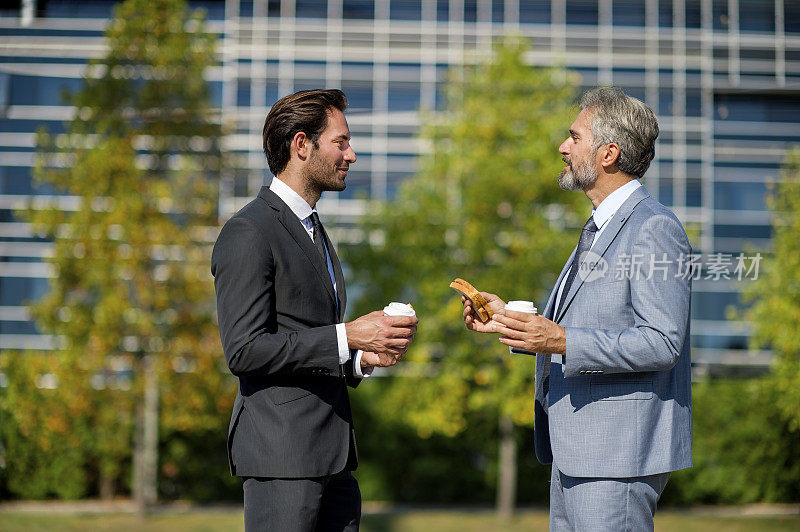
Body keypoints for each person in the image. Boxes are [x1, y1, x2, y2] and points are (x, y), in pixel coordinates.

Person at [462, 87, 692, 531]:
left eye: (574, 137)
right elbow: (585, 321)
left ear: (609, 153)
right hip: (579, 452)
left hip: (617, 456)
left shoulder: (654, 228)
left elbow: (663, 342)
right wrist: (509, 320)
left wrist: (561, 341)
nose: (563, 147)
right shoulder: (600, 227)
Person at [212, 89, 418, 531]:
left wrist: (362, 359)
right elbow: (245, 350)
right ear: (301, 145)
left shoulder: (313, 229)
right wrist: (348, 336)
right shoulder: (249, 231)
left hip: (335, 462)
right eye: (340, 142)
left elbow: (304, 338)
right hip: (282, 461)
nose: (352, 155)